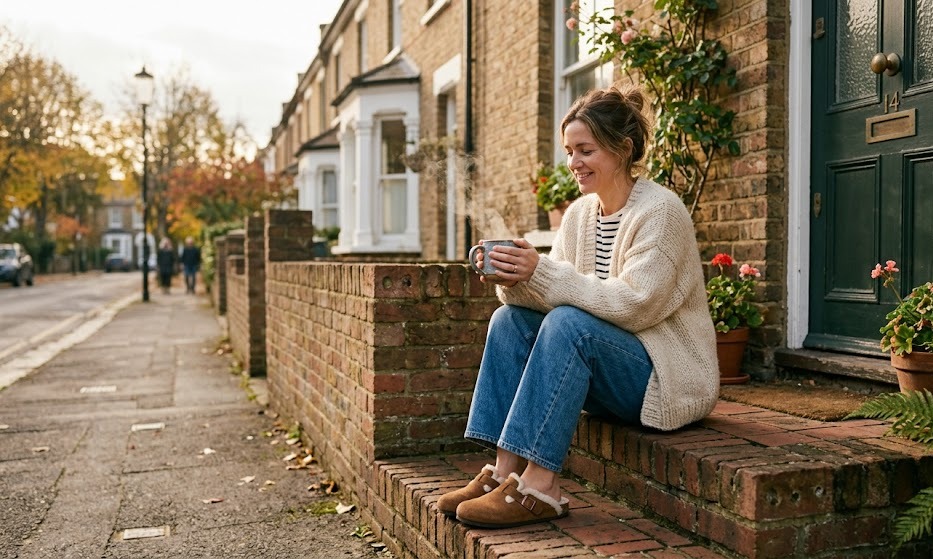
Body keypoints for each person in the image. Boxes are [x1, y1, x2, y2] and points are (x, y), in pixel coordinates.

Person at [437, 84, 719, 529]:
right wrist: (515, 279)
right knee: (509, 319)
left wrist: (542, 272)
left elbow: (635, 305)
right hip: (608, 369)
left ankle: (541, 487)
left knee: (571, 325)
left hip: (664, 376)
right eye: (569, 151)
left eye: (585, 150)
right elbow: (556, 294)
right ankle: (504, 473)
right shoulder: (580, 215)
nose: (573, 164)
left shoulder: (661, 212)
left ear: (623, 149)